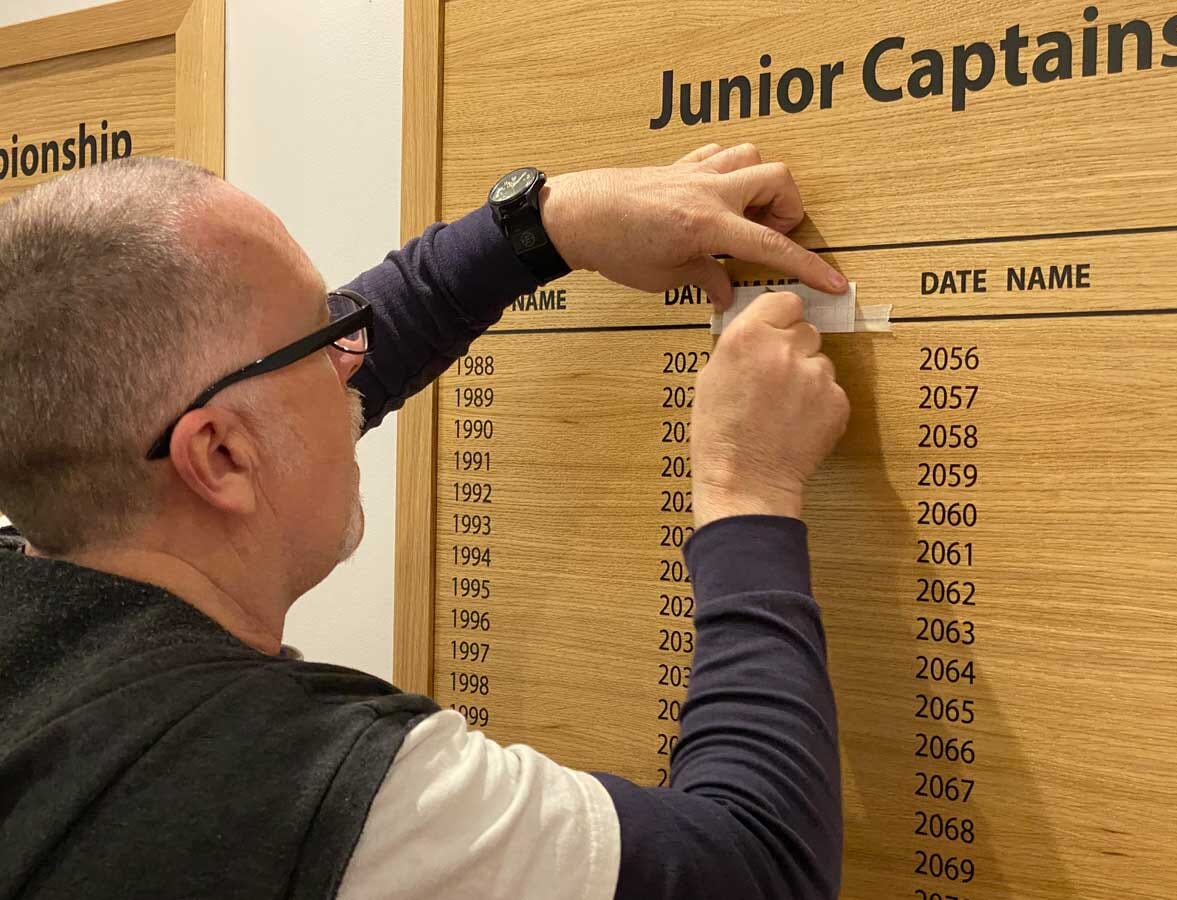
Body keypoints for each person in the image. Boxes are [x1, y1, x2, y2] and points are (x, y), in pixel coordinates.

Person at [0, 144, 849, 899]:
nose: (354, 359)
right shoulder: (308, 791)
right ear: (219, 458)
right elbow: (759, 865)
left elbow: (259, 385)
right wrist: (747, 487)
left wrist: (544, 227)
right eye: (322, 341)